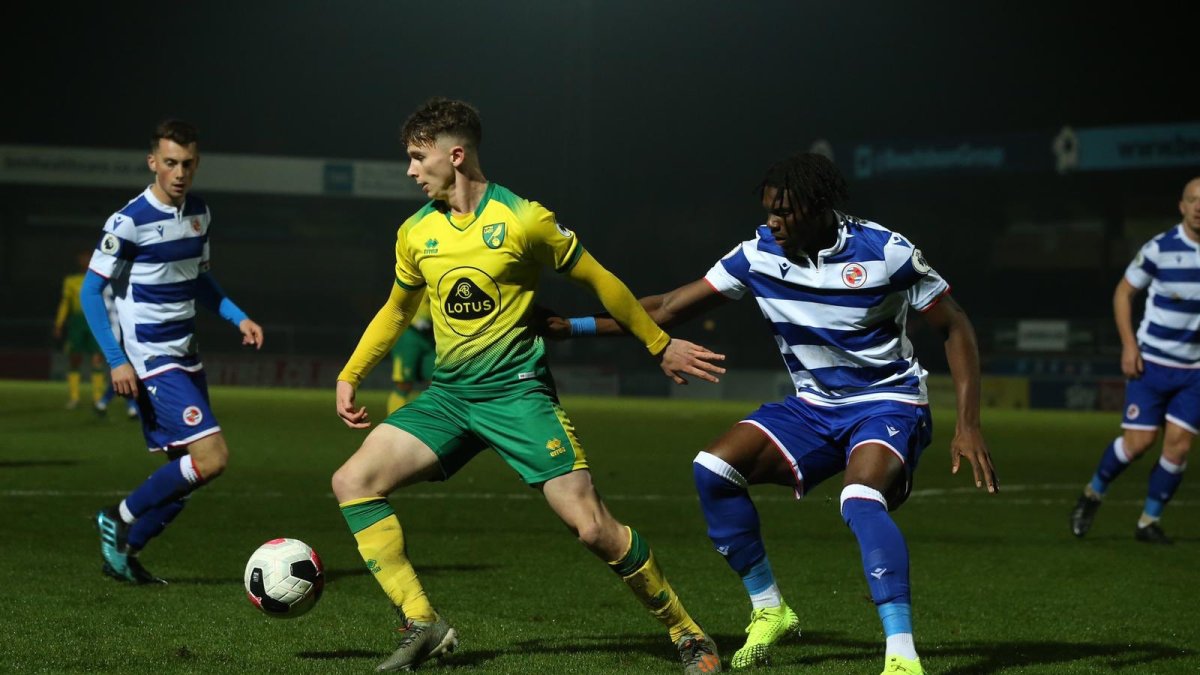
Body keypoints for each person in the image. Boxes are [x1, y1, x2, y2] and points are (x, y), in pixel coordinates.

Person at [553, 152, 998, 675]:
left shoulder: (886, 251)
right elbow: (667, 307)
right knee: (713, 469)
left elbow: (955, 325)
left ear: (818, 207)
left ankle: (902, 655)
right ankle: (770, 609)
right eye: (768, 210)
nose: (772, 221)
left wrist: (968, 425)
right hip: (813, 407)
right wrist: (570, 327)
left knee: (860, 498)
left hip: (888, 401)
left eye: (784, 212)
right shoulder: (757, 255)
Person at [330, 97, 726, 674]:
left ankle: (687, 632)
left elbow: (601, 281)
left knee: (592, 528)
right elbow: (396, 310)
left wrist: (658, 343)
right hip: (450, 398)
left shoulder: (524, 219)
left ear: (455, 155)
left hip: (517, 395)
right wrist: (350, 374)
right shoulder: (415, 232)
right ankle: (422, 622)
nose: (410, 171)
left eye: (418, 157)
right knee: (353, 482)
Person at [81, 119, 264, 584]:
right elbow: (90, 291)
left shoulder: (200, 212)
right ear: (152, 163)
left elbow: (198, 279)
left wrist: (237, 316)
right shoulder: (128, 222)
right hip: (152, 358)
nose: (179, 172)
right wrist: (117, 360)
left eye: (187, 163)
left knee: (185, 473)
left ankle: (125, 554)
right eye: (170, 163)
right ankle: (118, 517)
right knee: (212, 457)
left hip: (187, 355)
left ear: (196, 164)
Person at [1070, 176, 1200, 545]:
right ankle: (1092, 494)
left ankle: (1148, 522)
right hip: (1152, 363)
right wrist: (1129, 346)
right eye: (1193, 199)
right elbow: (1123, 293)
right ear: (1182, 206)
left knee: (1179, 446)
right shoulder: (1160, 248)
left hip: (1195, 371)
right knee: (1139, 443)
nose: (1199, 207)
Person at [53, 251, 105, 410]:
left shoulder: (100, 279)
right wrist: (59, 323)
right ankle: (74, 398)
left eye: (88, 259)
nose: (85, 261)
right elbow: (65, 303)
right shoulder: (71, 281)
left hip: (95, 320)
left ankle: (98, 398)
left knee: (97, 358)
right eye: (82, 259)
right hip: (77, 322)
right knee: (75, 358)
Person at [93, 283, 140, 420]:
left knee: (127, 374)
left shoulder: (103, 292)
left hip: (115, 336)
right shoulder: (119, 289)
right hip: (122, 336)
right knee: (128, 373)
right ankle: (130, 407)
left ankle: (103, 403)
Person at [386, 291, 435, 414]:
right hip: (409, 333)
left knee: (437, 383)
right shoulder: (413, 279)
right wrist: (415, 318)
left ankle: (432, 420)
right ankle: (395, 419)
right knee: (403, 384)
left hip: (432, 336)